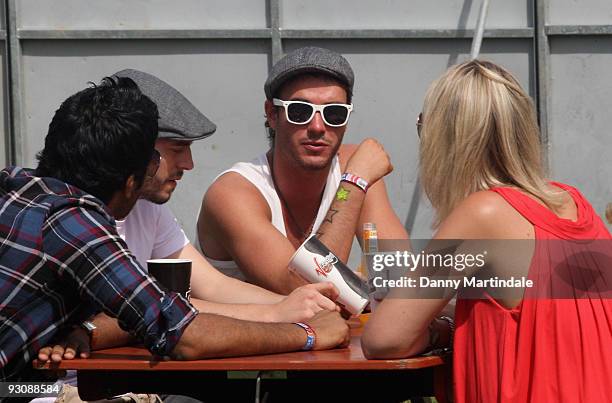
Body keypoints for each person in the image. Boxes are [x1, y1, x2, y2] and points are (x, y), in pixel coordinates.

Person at [0, 76, 349, 385]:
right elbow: (181, 333)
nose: (188, 165)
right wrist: (305, 334)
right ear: (132, 179)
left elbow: (198, 292)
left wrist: (288, 308)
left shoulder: (18, 187)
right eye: (174, 151)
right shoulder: (75, 224)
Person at [361, 60, 612, 402]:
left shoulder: (484, 214)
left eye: (423, 127)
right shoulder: (574, 204)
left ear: (445, 141)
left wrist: (439, 330)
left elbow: (383, 339)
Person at [198, 46, 409, 295]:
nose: (318, 126)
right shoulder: (233, 193)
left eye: (334, 113)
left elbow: (399, 276)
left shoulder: (355, 167)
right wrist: (353, 184)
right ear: (272, 114)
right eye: (300, 111)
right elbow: (308, 290)